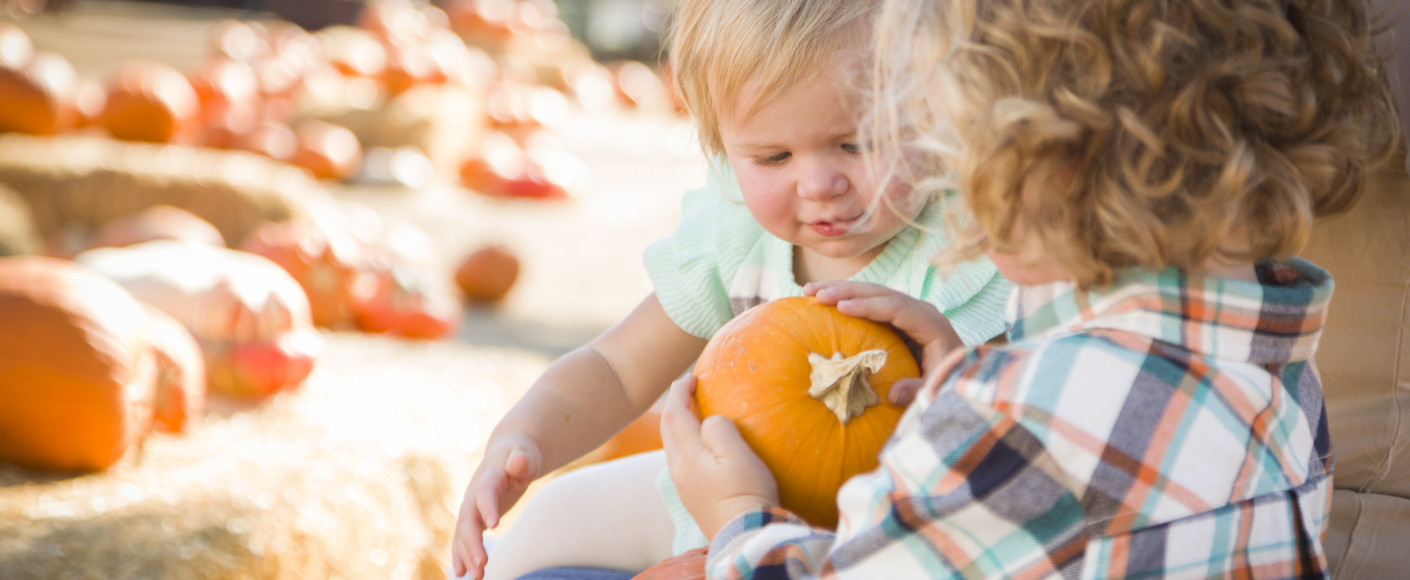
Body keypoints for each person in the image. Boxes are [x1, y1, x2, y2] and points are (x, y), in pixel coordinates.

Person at [661, 0, 1401, 576]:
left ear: (1052, 155)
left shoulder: (1026, 425)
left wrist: (741, 517)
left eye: (952, 145)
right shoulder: (1279, 359)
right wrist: (961, 403)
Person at [448, 0, 1013, 578]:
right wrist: (523, 438)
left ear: (940, 110)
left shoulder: (976, 250)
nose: (819, 184)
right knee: (551, 518)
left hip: (880, 546)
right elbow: (616, 370)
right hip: (711, 503)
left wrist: (953, 370)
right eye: (773, 156)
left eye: (859, 143)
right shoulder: (739, 234)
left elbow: (1012, 462)